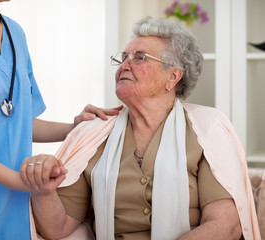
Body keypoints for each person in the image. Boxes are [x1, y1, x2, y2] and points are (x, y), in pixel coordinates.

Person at [21, 17, 261, 240]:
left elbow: (225, 225)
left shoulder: (208, 129)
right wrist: (43, 190)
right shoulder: (94, 133)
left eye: (139, 57)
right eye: (123, 58)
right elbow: (56, 228)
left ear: (173, 76)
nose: (124, 66)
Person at [0, 0, 121, 239]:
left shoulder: (14, 33)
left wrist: (77, 128)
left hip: (14, 211)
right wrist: (25, 182)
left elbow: (17, 120)